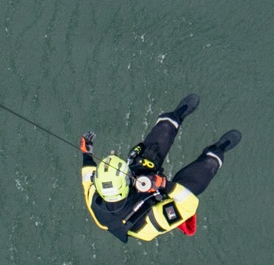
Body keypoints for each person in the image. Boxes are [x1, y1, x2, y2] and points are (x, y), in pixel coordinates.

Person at [79, 94, 242, 243]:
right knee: (200, 176)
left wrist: (87, 154)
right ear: (126, 180)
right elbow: (189, 204)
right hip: (155, 203)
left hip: (137, 188)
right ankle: (217, 151)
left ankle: (175, 117)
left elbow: (88, 178)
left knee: (154, 145)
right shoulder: (151, 222)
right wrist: (164, 185)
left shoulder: (96, 197)